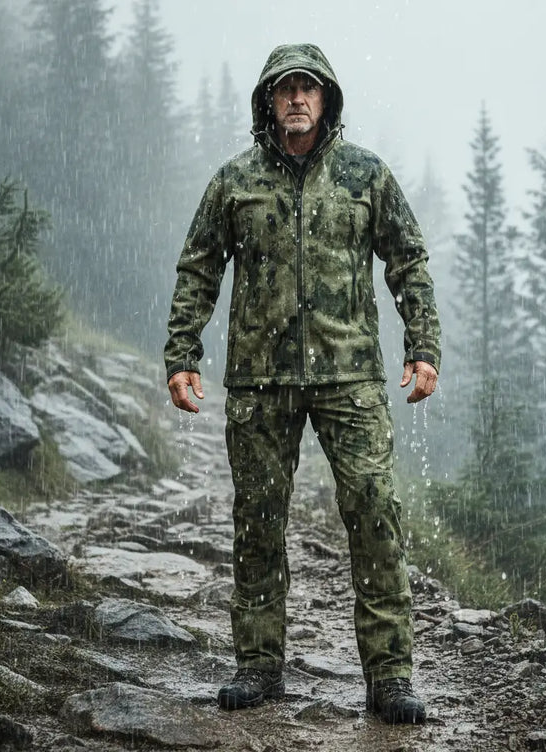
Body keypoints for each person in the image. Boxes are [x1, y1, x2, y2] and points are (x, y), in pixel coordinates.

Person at [164, 43, 441, 725]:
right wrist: (182, 354)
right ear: (268, 99)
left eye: (307, 89)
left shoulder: (365, 176)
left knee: (375, 517)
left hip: (351, 378)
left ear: (326, 100)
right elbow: (199, 269)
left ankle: (390, 675)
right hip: (261, 381)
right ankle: (258, 665)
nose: (296, 98)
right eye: (284, 88)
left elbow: (408, 262)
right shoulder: (235, 181)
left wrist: (424, 345)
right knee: (257, 522)